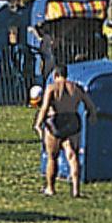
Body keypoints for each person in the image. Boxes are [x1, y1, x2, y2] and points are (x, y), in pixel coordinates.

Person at [34, 63, 98, 198]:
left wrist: (38, 124)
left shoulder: (52, 88)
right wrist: (92, 116)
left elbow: (45, 108)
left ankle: (50, 188)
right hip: (72, 120)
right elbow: (90, 105)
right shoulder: (76, 88)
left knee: (52, 157)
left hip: (56, 121)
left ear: (55, 75)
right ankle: (76, 190)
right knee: (72, 156)